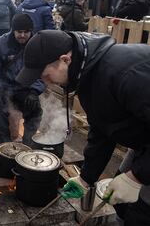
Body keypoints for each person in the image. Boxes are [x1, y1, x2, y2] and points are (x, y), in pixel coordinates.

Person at [16, 29, 150, 226]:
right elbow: (102, 129)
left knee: (141, 213)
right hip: (142, 142)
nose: (45, 82)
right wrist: (86, 178)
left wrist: (137, 176)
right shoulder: (88, 75)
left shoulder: (126, 72)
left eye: (45, 75)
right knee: (123, 203)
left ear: (65, 60)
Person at [0, 14, 45, 146]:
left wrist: (35, 91)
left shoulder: (38, 45)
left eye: (26, 32)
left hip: (26, 88)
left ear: (31, 31)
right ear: (13, 30)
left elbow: (42, 71)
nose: (22, 35)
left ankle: (28, 144)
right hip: (4, 87)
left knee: (35, 110)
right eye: (19, 32)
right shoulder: (0, 44)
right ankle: (3, 145)